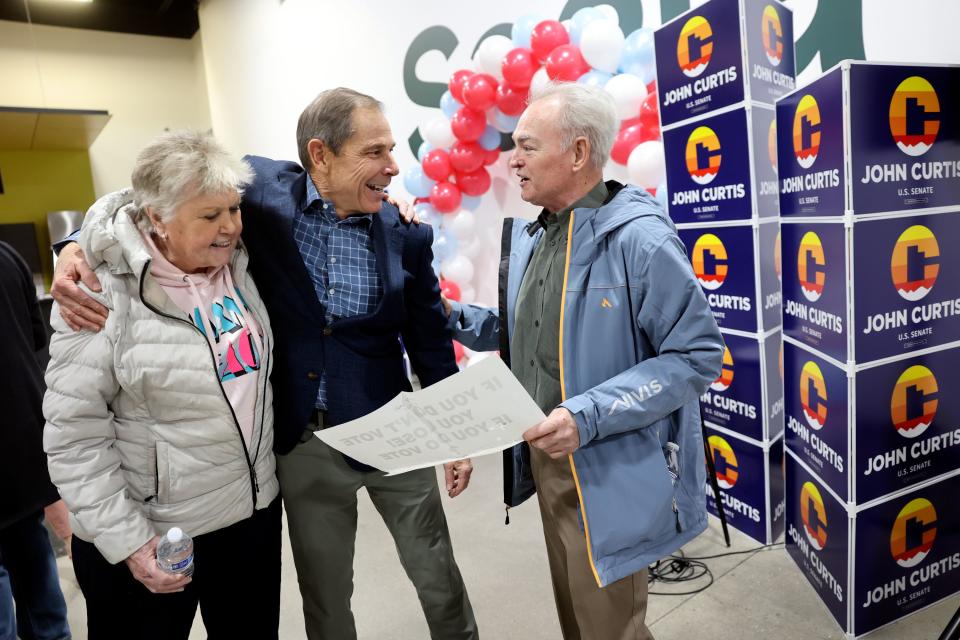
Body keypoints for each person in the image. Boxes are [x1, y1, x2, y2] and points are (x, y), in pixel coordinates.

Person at [51, 88, 478, 640]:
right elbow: (149, 197)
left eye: (391, 150)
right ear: (320, 155)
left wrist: (452, 431)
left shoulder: (405, 232)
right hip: (305, 441)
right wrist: (74, 241)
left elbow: (429, 339)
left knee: (435, 571)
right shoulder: (261, 197)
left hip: (391, 427)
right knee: (326, 594)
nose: (393, 167)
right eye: (374, 153)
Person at [445, 82, 724, 640]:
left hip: (610, 466)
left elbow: (696, 357)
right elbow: (531, 330)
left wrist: (587, 416)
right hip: (550, 458)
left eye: (527, 146)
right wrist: (447, 314)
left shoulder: (641, 242)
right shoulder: (537, 234)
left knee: (611, 626)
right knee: (576, 617)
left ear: (577, 153)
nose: (513, 161)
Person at [43, 131, 282, 639]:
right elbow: (74, 436)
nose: (230, 228)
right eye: (210, 216)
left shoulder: (240, 263)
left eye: (233, 210)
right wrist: (129, 541)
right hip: (155, 532)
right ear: (156, 217)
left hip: (249, 516)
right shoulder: (98, 289)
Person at [0, 240, 72, 640]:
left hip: (21, 459)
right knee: (42, 601)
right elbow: (35, 341)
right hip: (23, 458)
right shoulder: (9, 255)